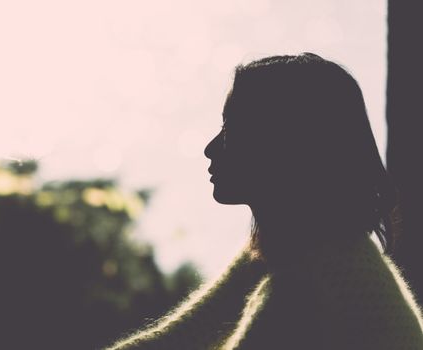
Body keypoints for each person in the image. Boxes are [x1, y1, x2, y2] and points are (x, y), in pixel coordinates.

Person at [105, 53, 423, 349]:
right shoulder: (298, 245)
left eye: (230, 130)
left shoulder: (309, 286)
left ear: (280, 144)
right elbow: (181, 340)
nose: (210, 148)